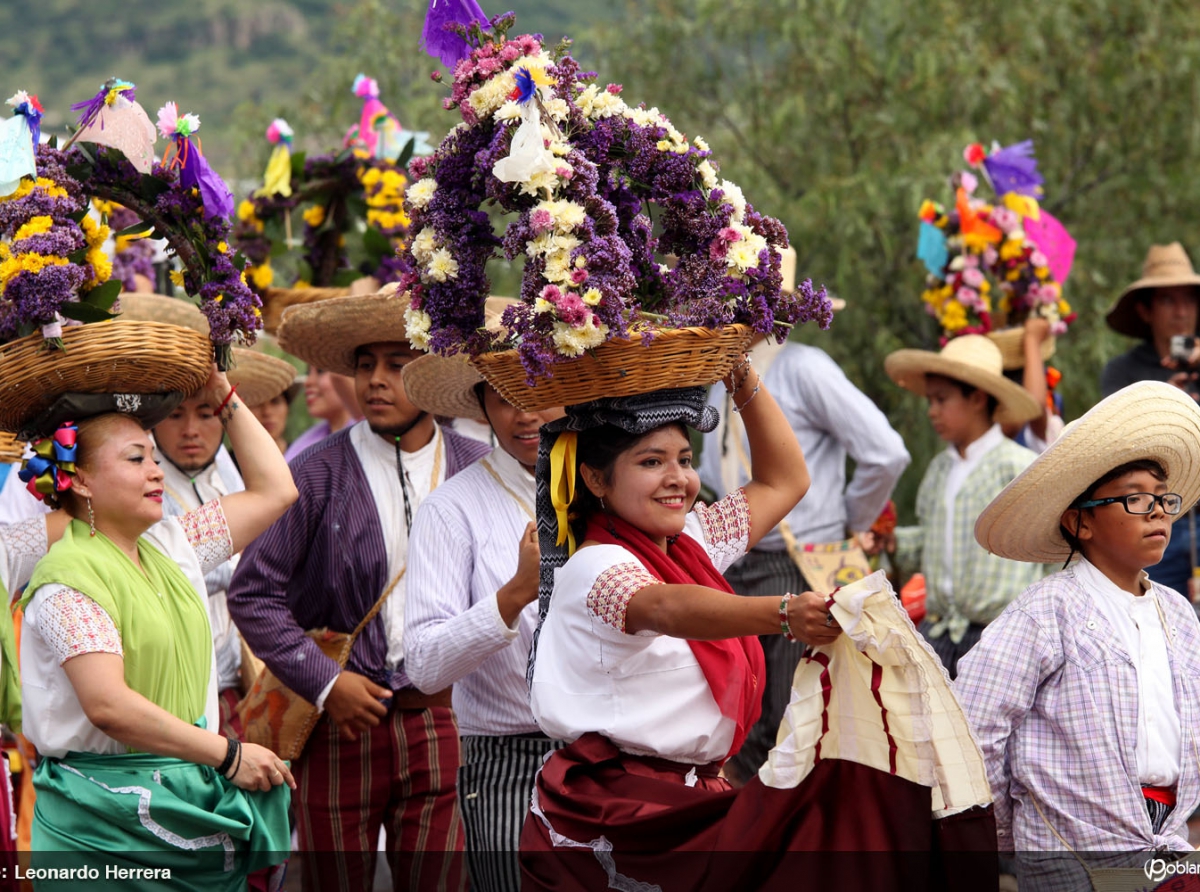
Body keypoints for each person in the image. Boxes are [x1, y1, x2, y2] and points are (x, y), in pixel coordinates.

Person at [228, 287, 489, 892]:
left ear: (432, 375)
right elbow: (252, 594)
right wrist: (325, 684)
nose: (375, 380)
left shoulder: (478, 467)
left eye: (397, 366)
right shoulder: (314, 472)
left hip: (444, 723)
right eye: (365, 365)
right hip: (338, 727)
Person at [17, 368, 297, 885]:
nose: (157, 472)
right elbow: (109, 706)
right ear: (78, 479)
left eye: (153, 456)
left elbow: (276, 490)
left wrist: (222, 393)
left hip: (184, 793)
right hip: (100, 817)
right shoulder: (66, 578)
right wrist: (229, 755)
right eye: (136, 458)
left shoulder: (172, 545)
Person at [960, 381, 1200, 891]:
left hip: (1163, 841)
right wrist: (1012, 830)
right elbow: (975, 728)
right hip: (1069, 850)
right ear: (1080, 523)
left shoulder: (1178, 614)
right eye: (1135, 499)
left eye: (1162, 499)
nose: (1158, 512)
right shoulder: (1046, 612)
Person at [699, 330, 910, 785]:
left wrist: (849, 522)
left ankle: (763, 828)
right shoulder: (715, 375)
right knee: (741, 710)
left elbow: (885, 453)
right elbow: (709, 472)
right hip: (735, 561)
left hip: (803, 559)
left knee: (786, 716)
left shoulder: (804, 368)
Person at [403, 342, 564, 892]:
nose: (525, 413)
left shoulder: (613, 488)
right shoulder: (452, 508)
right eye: (503, 397)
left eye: (540, 390)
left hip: (611, 751)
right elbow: (424, 665)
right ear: (481, 406)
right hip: (507, 761)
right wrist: (514, 594)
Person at [883, 334, 1045, 678]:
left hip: (1001, 635)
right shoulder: (939, 470)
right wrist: (893, 542)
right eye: (930, 400)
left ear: (977, 398)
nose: (933, 411)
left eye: (941, 399)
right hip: (938, 633)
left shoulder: (1018, 467)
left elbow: (1052, 555)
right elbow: (932, 541)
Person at [1101, 242, 1200, 598]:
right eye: (1168, 301)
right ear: (1145, 311)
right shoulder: (1123, 372)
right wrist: (1164, 402)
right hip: (1155, 517)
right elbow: (1113, 447)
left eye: (1189, 300)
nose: (1182, 312)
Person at [284, 365, 359, 462]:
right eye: (308, 373)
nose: (307, 382)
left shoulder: (372, 435)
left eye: (321, 371)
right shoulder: (303, 446)